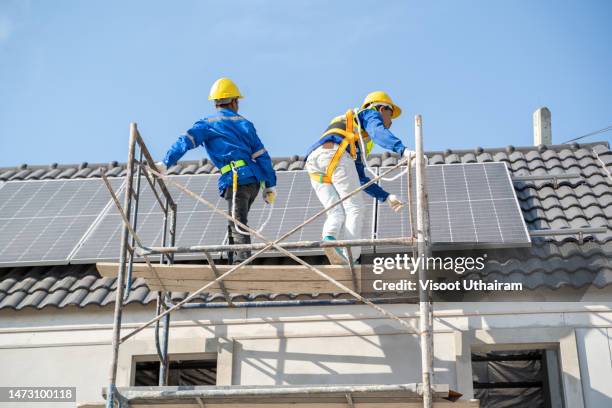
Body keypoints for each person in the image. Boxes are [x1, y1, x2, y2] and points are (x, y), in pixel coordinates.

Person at [160, 77, 277, 264]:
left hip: (236, 179)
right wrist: (270, 185)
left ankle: (241, 265)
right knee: (235, 220)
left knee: (238, 223)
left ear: (216, 103)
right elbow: (262, 155)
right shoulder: (246, 124)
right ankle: (235, 261)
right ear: (234, 101)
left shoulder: (208, 124)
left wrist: (166, 162)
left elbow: (186, 141)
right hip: (253, 180)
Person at [305, 91, 412, 265]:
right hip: (336, 155)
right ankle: (350, 258)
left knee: (336, 211)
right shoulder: (369, 114)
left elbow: (360, 179)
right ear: (382, 108)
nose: (390, 123)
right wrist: (403, 150)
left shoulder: (350, 130)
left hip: (314, 161)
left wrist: (386, 196)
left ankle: (330, 239)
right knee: (355, 207)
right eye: (390, 114)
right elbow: (378, 132)